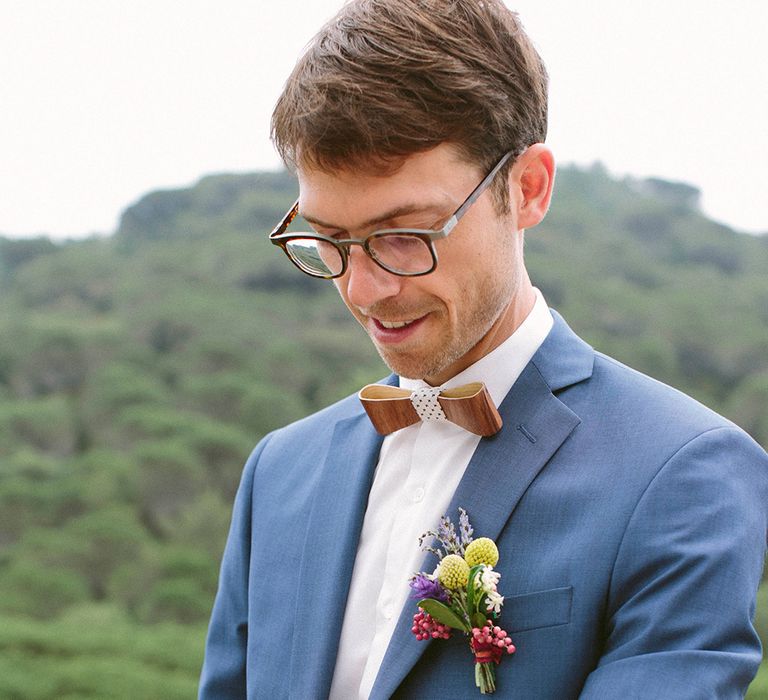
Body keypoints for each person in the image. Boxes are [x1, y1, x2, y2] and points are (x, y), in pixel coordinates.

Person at [199, 1, 768, 697]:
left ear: (525, 189)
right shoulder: (279, 471)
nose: (365, 289)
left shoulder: (686, 474)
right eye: (329, 241)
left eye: (406, 233)